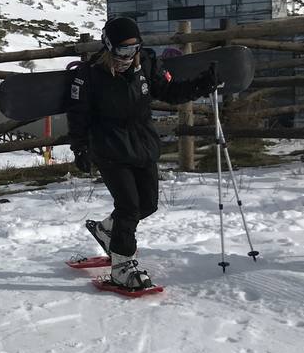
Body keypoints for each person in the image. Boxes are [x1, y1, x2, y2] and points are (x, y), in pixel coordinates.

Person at [68, 16, 217, 290]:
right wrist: (80, 147)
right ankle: (122, 265)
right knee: (129, 207)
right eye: (123, 50)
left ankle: (106, 231)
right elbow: (78, 115)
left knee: (147, 204)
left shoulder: (146, 63)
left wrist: (201, 85)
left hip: (142, 143)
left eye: (134, 48)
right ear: (109, 46)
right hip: (109, 145)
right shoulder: (89, 75)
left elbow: (169, 92)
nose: (129, 56)